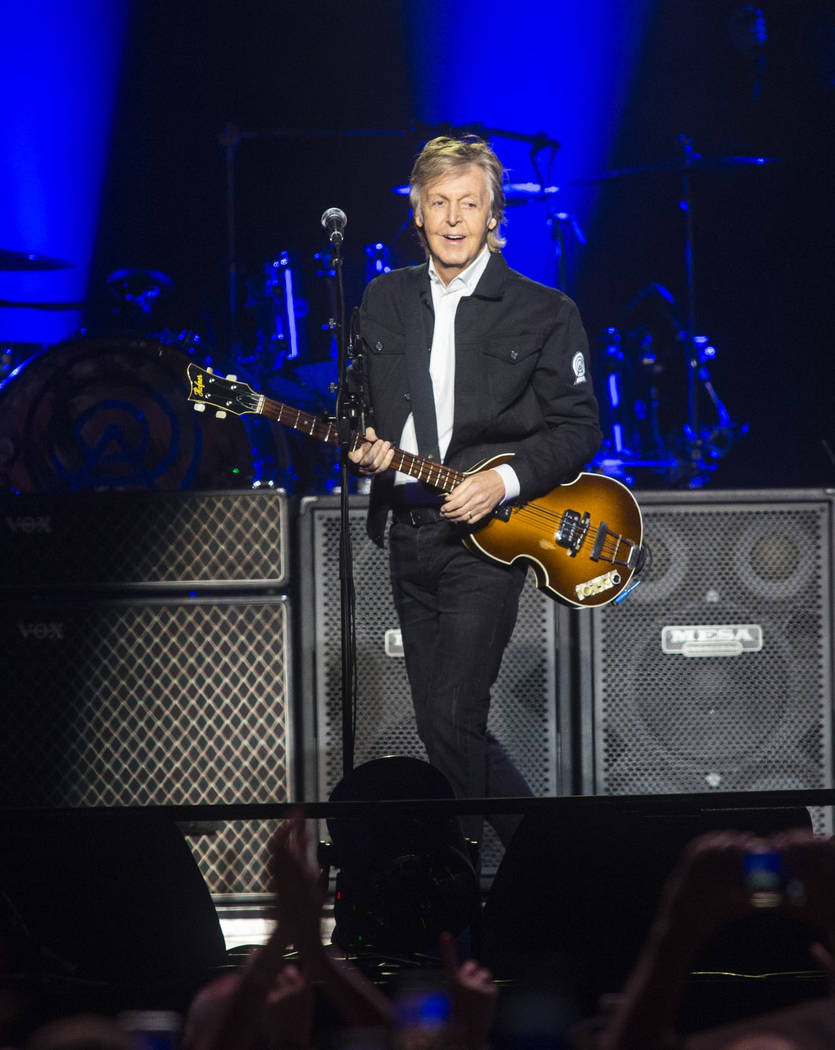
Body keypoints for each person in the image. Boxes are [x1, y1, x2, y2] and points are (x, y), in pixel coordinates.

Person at [348, 135, 601, 850]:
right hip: (406, 530)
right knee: (440, 726)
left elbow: (579, 427)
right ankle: (510, 878)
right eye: (438, 204)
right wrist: (364, 448)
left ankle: (546, 869)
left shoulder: (542, 310)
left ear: (494, 215)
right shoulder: (382, 298)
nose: (453, 219)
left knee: (455, 714)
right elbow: (365, 410)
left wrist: (501, 479)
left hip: (485, 541)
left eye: (469, 204)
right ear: (417, 211)